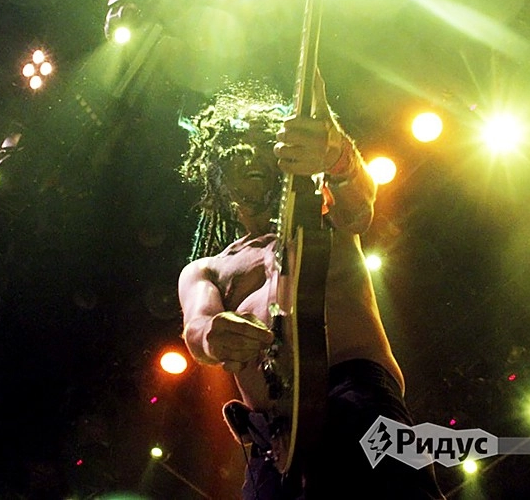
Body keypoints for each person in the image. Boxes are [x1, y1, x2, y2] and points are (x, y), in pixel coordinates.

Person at [177, 73, 445, 498]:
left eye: (264, 144)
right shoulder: (207, 268)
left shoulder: (323, 214)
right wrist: (214, 334)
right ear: (217, 178)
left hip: (356, 395)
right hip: (274, 440)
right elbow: (196, 327)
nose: (252, 156)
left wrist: (336, 153)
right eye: (236, 150)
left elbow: (359, 207)